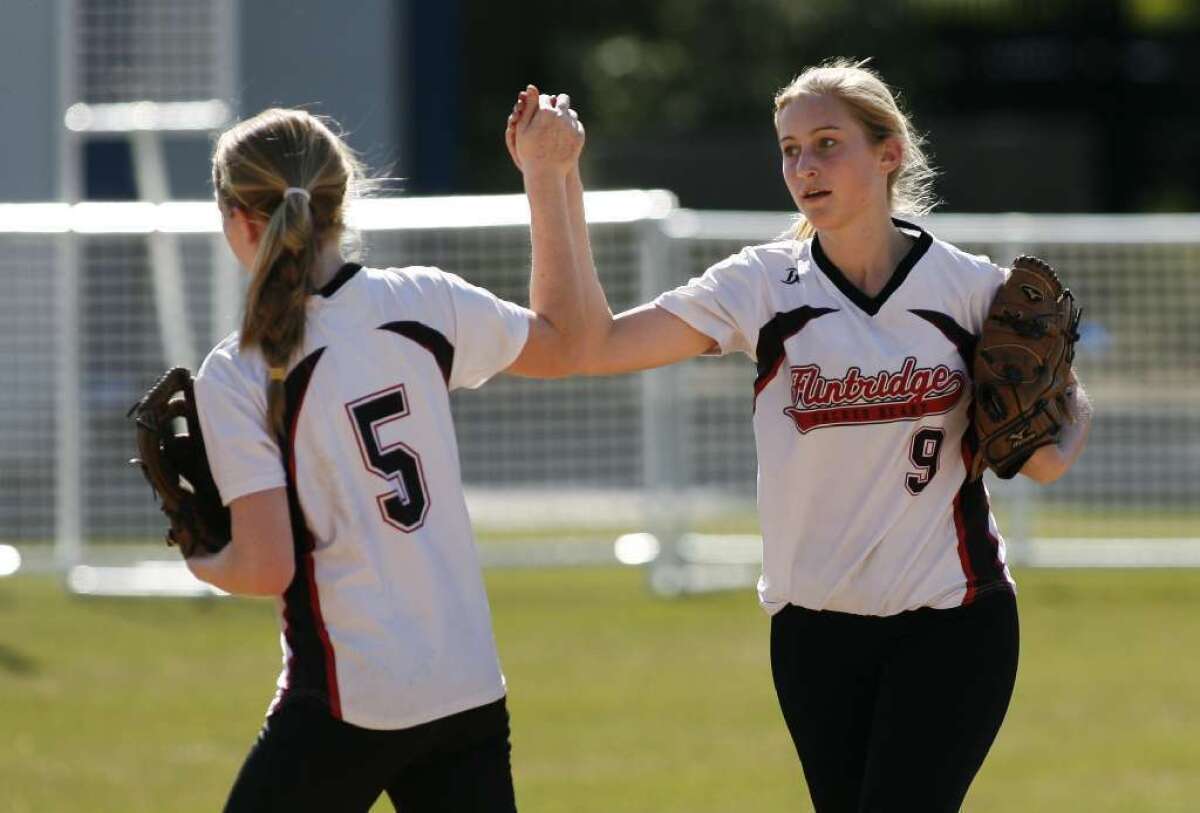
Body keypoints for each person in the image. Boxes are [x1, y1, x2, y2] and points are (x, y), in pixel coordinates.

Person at [507, 60, 1092, 812]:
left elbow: (1062, 397)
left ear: (890, 154)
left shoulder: (969, 287)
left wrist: (1058, 445)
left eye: (826, 143)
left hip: (954, 620)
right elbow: (587, 344)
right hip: (814, 634)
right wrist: (552, 176)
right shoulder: (761, 287)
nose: (803, 167)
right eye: (789, 149)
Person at [185, 95, 584, 812]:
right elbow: (566, 340)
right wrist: (546, 176)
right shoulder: (423, 302)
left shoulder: (238, 369)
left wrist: (195, 553)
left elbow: (265, 566)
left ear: (242, 223)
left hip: (348, 694)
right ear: (343, 199)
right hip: (464, 686)